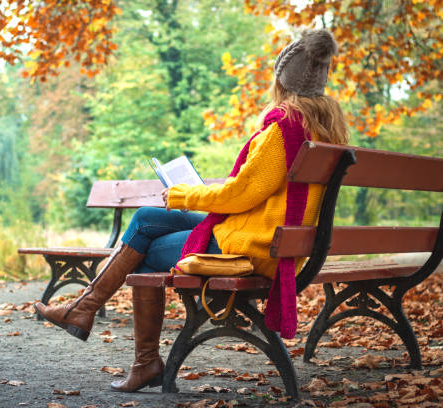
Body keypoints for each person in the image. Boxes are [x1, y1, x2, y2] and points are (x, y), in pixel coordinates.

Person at [35, 28, 349, 393]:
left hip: (254, 247)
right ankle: (86, 312)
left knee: (146, 251)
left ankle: (138, 357)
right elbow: (252, 193)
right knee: (146, 218)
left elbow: (239, 195)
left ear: (282, 80)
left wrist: (184, 194)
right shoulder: (326, 130)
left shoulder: (282, 130)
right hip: (276, 240)